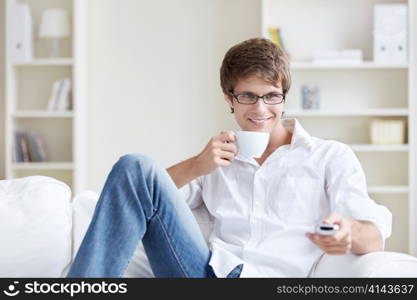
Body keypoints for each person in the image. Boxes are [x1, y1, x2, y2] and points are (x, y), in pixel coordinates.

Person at [67, 38, 392, 278]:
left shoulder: (327, 156)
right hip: (203, 273)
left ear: (284, 96)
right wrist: (198, 165)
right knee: (135, 166)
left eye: (271, 96)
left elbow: (373, 234)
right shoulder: (216, 158)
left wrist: (347, 231)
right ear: (229, 98)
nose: (261, 109)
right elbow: (143, 197)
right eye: (248, 96)